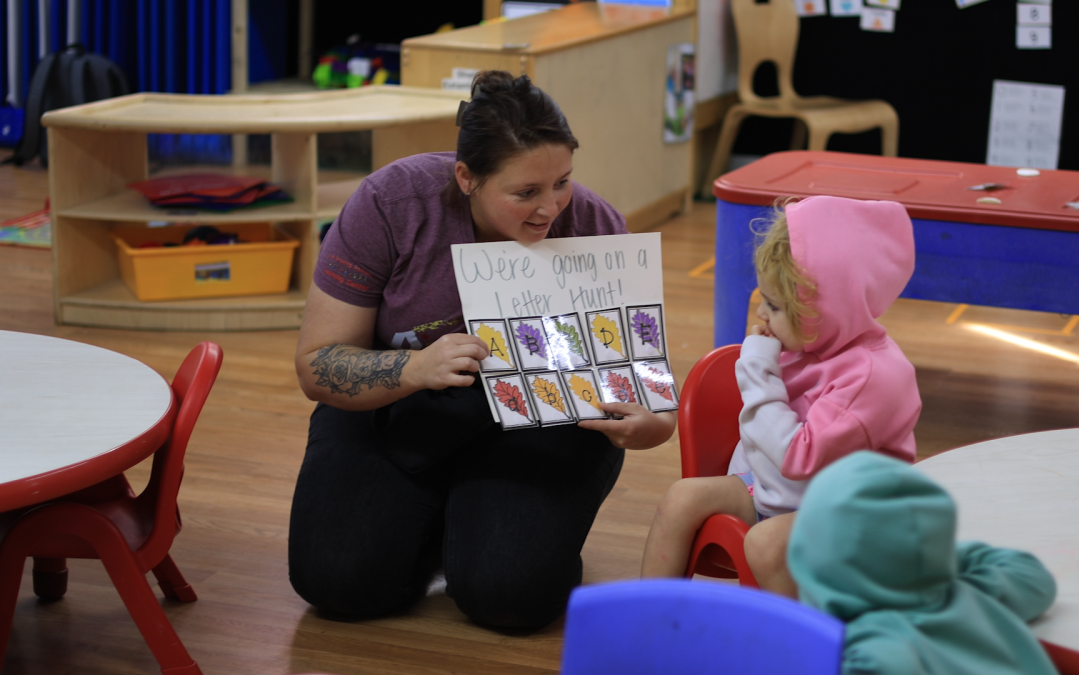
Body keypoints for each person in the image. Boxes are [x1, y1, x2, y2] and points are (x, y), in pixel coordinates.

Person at [288, 70, 676, 629]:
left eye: (562, 181)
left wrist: (652, 427)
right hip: (396, 408)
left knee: (511, 599)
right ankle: (438, 520)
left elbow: (649, 391)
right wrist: (415, 367)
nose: (552, 208)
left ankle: (473, 528)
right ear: (466, 178)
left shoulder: (593, 224)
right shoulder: (390, 204)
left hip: (542, 423)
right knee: (337, 583)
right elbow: (317, 364)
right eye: (526, 193)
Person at [640, 195, 922, 595]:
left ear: (825, 310)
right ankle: (647, 619)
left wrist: (757, 372)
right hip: (777, 493)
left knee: (766, 543)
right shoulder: (808, 343)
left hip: (852, 514)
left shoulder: (873, 378)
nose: (760, 315)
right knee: (681, 498)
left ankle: (799, 645)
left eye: (773, 305)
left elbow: (797, 457)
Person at [788, 452, 1059, 675]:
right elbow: (1033, 577)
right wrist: (929, 557)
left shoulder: (873, 650)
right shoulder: (974, 593)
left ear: (808, 559)